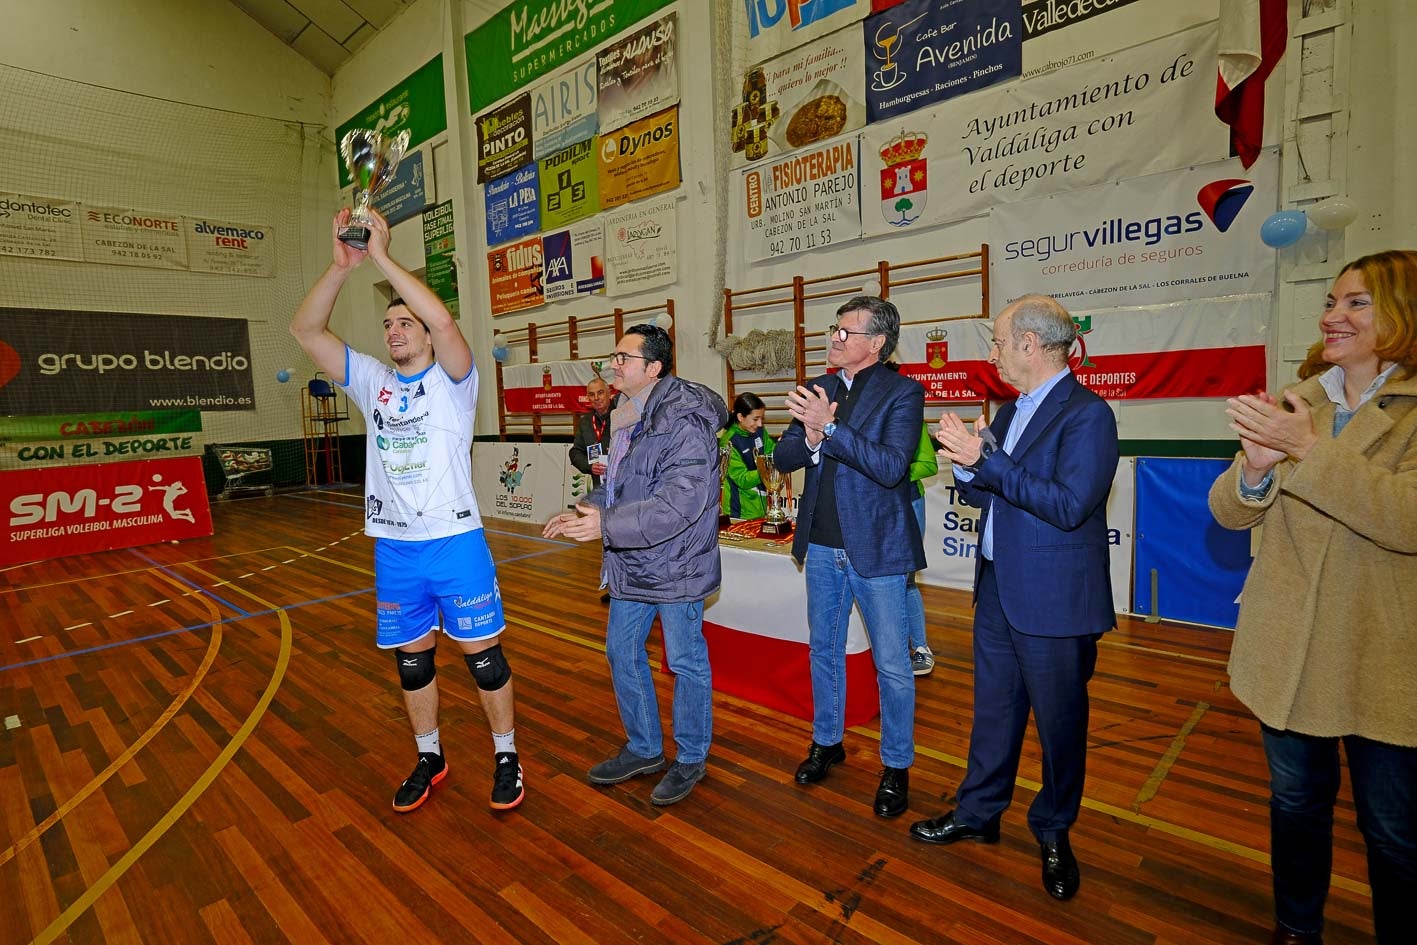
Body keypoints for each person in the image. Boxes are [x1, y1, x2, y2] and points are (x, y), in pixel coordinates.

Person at [1208, 250, 1417, 945]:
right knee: (1296, 801)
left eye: (1355, 302)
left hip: (1382, 653)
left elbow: (1406, 519)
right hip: (1287, 647)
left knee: (1392, 830)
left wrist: (1306, 450)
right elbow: (1228, 512)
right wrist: (1259, 471)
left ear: (1402, 311)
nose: (1332, 315)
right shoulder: (1304, 397)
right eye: (1330, 301)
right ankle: (1295, 928)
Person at [290, 208, 523, 814]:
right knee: (413, 665)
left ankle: (505, 755)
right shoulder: (373, 382)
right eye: (388, 322)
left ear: (424, 333)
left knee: (485, 659)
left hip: (456, 542)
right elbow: (308, 331)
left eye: (404, 322)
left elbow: (445, 320)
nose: (394, 330)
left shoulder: (455, 380)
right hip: (395, 549)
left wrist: (385, 257)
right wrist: (344, 268)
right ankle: (430, 755)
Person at [912, 294, 1117, 903]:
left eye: (998, 342)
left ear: (1031, 344)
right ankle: (979, 810)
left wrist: (986, 464)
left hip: (1055, 597)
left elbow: (1068, 505)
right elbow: (986, 499)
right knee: (994, 711)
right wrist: (970, 469)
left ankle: (1055, 830)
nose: (993, 353)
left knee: (1059, 725)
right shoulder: (1005, 412)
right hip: (999, 586)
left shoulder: (1088, 415)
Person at [543, 324, 727, 806]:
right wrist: (587, 506)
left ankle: (691, 757)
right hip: (634, 560)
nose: (613, 365)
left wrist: (605, 526)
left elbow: (678, 504)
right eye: (613, 356)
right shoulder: (632, 415)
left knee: (686, 662)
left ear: (653, 368)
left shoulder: (683, 421)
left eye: (623, 358)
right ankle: (645, 747)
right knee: (621, 652)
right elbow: (625, 487)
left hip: (677, 562)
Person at [774, 295, 925, 819]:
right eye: (834, 330)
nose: (835, 338)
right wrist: (812, 438)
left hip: (878, 547)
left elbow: (889, 467)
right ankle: (826, 740)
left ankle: (896, 764)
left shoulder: (904, 392)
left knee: (891, 663)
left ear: (877, 343)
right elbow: (783, 454)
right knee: (823, 650)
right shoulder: (821, 388)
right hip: (820, 543)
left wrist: (831, 430)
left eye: (846, 332)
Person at [905, 423, 938, 675]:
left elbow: (929, 464)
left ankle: (920, 647)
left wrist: (891, 470)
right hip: (872, 505)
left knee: (906, 580)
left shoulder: (913, 418)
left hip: (908, 504)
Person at [719, 392, 777, 520]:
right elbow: (742, 479)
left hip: (761, 508)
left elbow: (773, 453)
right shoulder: (729, 441)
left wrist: (785, 448)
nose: (760, 424)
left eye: (762, 418)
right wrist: (768, 469)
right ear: (740, 417)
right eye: (755, 419)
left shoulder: (760, 432)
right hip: (739, 513)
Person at [569, 376, 614, 488]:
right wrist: (590, 466)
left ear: (609, 393)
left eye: (600, 392)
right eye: (592, 394)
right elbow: (575, 452)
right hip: (599, 486)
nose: (596, 398)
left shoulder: (622, 416)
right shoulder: (586, 422)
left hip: (623, 484)